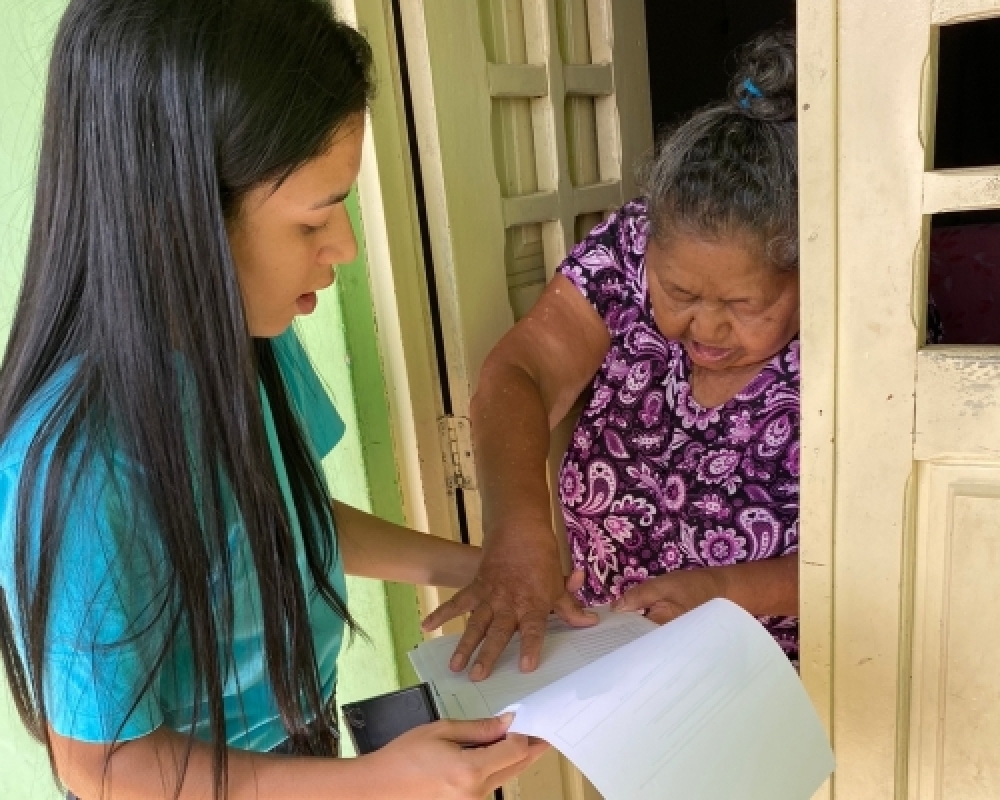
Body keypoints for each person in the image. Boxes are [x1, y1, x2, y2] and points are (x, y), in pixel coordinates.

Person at [0, 1, 548, 798]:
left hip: (300, 748)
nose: (346, 249)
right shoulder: (81, 465)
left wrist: (488, 570)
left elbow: (288, 516)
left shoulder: (246, 333)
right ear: (174, 220)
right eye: (314, 221)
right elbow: (104, 768)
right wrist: (376, 785)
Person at [424, 31, 802, 680]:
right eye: (678, 292)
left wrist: (726, 590)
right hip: (616, 668)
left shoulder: (860, 329)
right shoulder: (628, 246)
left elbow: (886, 545)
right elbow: (522, 370)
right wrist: (518, 525)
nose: (705, 326)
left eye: (743, 306)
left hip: (780, 688)